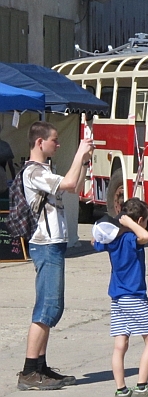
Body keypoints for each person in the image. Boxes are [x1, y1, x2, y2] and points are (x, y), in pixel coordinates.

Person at [17, 121, 94, 391]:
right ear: (40, 142)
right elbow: (71, 182)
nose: (58, 144)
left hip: (54, 243)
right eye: (55, 140)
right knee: (47, 308)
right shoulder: (33, 172)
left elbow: (74, 186)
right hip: (45, 244)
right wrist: (78, 152)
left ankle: (40, 366)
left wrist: (83, 161)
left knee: (53, 307)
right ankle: (29, 372)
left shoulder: (46, 170)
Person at [93, 198, 148, 397]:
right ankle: (142, 386)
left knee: (120, 344)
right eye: (146, 220)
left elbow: (95, 241)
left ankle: (121, 389)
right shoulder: (131, 239)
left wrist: (115, 226)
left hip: (117, 299)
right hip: (134, 298)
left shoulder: (112, 241)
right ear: (140, 220)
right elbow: (146, 236)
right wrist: (130, 224)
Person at [0, 124, 16, 194]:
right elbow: (11, 165)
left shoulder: (4, 145)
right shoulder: (4, 145)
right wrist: (14, 180)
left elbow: (11, 165)